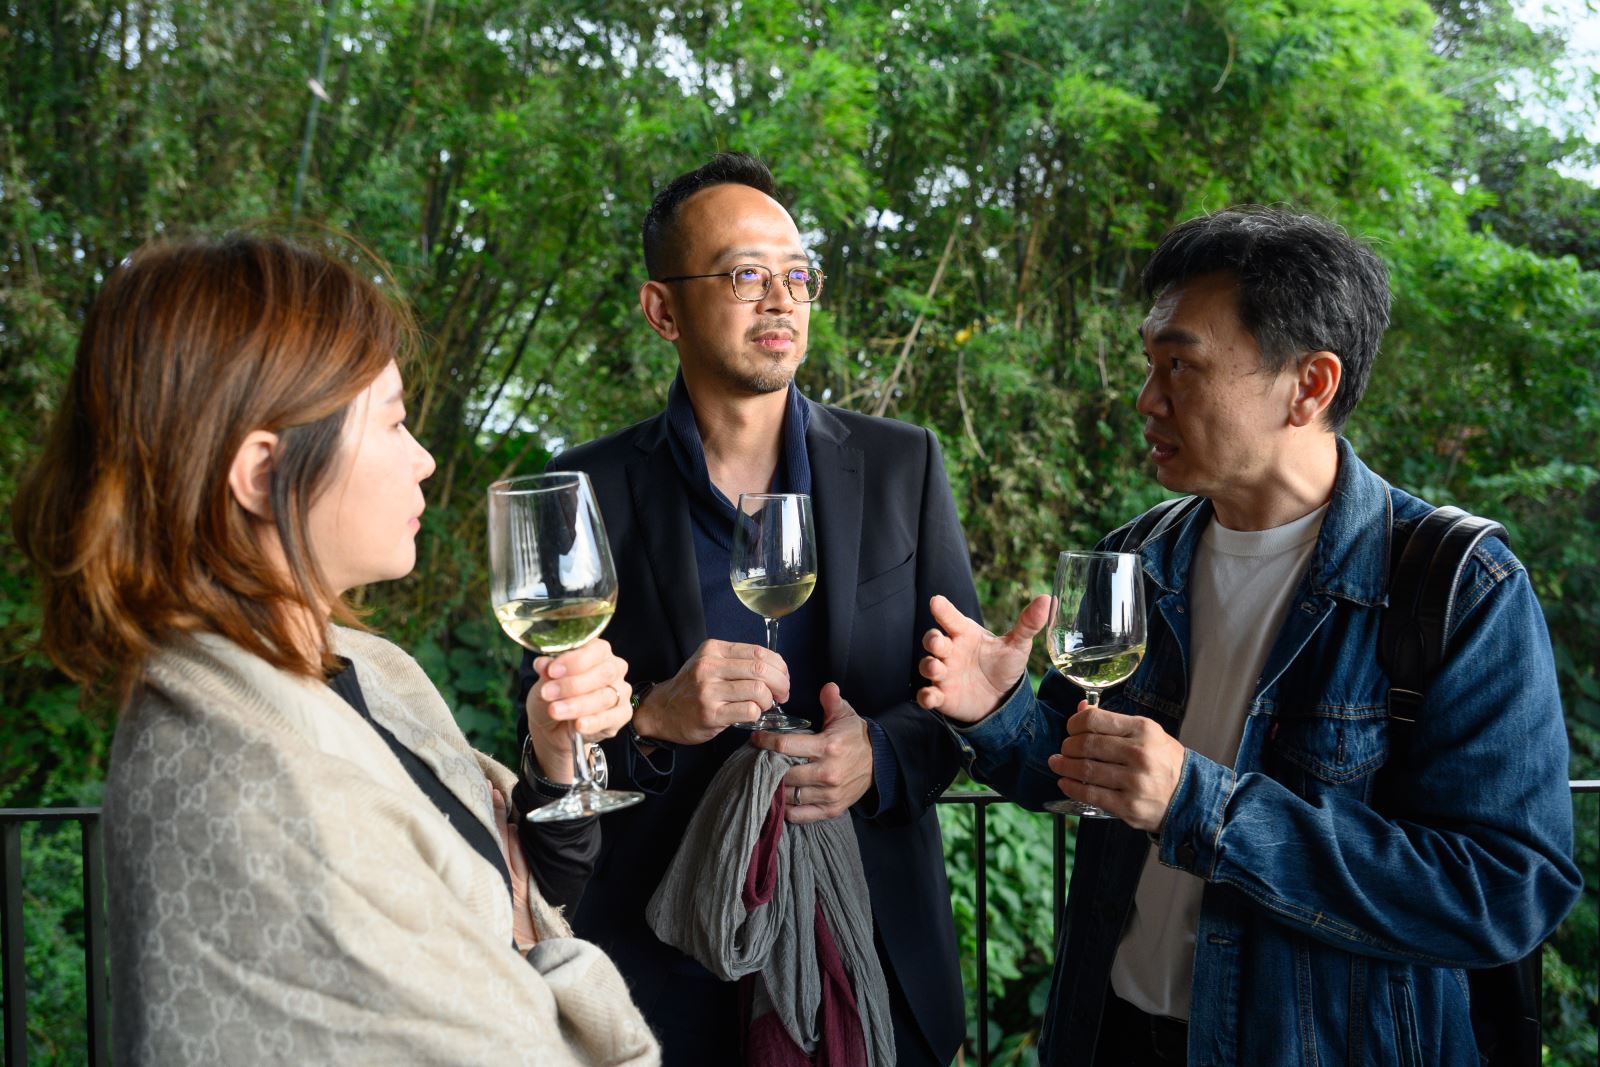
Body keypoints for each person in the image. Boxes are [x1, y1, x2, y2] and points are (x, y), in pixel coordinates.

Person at [916, 207, 1582, 1065]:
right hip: (1110, 1034)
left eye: (1181, 366)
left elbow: (1505, 893)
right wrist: (999, 708)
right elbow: (1082, 772)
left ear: (1310, 385)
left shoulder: (1459, 588)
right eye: (1149, 363)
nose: (1146, 398)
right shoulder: (1138, 556)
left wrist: (1204, 805)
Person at [13, 234, 659, 1066]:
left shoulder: (360, 670)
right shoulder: (247, 782)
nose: (425, 459)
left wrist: (551, 760)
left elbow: (511, 887)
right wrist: (537, 943)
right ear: (262, 473)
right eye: (392, 420)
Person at [519, 152, 980, 1066]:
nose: (781, 299)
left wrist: (878, 756)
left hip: (874, 965)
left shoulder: (904, 465)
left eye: (797, 275)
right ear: (663, 310)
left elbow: (959, 710)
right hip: (662, 980)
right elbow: (543, 757)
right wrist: (651, 719)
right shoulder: (582, 489)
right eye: (744, 275)